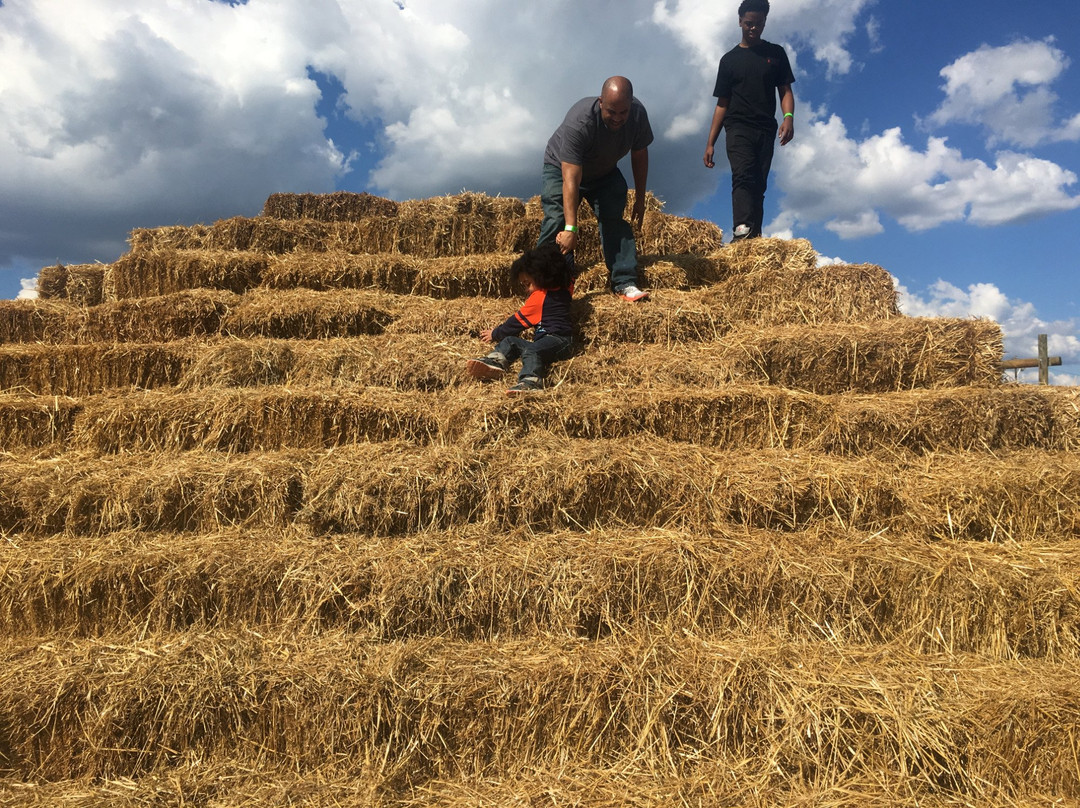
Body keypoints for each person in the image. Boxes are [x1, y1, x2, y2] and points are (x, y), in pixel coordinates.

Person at [539, 76, 653, 302]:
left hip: (604, 171)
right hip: (561, 167)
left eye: (624, 112)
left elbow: (639, 155)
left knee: (614, 218)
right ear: (601, 102)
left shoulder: (638, 115)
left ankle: (624, 281)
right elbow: (571, 177)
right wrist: (571, 228)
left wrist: (640, 199)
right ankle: (540, 282)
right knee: (556, 219)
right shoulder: (580, 120)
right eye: (612, 112)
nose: (618, 118)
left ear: (631, 106)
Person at [703, 0, 795, 241]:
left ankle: (755, 236)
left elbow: (785, 91)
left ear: (765, 22)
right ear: (740, 21)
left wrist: (788, 118)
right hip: (738, 127)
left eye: (759, 24)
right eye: (749, 24)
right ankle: (742, 230)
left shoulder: (775, 53)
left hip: (765, 127)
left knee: (759, 182)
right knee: (743, 175)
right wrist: (710, 142)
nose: (754, 29)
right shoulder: (729, 60)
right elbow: (722, 103)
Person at [466, 242, 575, 395]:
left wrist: (495, 333)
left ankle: (531, 381)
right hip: (549, 342)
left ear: (541, 275)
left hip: (560, 341)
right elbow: (569, 269)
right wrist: (567, 249)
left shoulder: (540, 298)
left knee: (531, 349)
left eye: (527, 284)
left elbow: (515, 323)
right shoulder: (565, 289)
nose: (526, 290)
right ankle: (495, 363)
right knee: (511, 341)